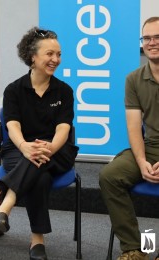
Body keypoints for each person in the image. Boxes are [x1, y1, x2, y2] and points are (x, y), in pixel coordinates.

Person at [0, 26, 78, 260]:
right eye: (50, 54)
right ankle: (37, 241)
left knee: (39, 160)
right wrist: (25, 147)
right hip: (18, 149)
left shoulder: (64, 91)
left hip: (57, 150)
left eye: (58, 54)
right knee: (39, 174)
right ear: (33, 56)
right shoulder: (14, 90)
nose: (55, 59)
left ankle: (5, 206)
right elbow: (12, 127)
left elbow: (63, 129)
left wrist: (48, 148)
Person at [99, 17, 159, 260]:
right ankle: (134, 249)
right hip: (151, 147)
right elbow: (134, 127)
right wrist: (142, 160)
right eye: (147, 38)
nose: (152, 42)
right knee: (109, 176)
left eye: (158, 37)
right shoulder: (133, 79)